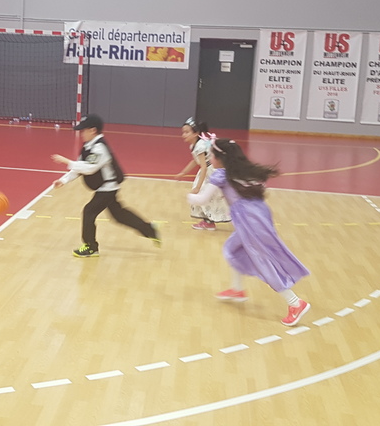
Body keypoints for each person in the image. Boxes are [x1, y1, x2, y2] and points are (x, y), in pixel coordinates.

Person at [188, 138, 311, 326]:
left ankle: (295, 303)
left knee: (264, 263)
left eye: (212, 155)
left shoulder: (221, 175)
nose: (210, 158)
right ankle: (237, 289)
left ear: (221, 158)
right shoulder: (243, 171)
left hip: (250, 222)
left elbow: (202, 200)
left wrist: (189, 196)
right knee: (231, 249)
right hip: (259, 216)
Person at [51, 114, 161, 257]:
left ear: (93, 130)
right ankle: (150, 229)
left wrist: (66, 161)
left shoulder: (100, 148)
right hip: (105, 189)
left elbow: (90, 168)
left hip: (107, 189)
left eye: (84, 130)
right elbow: (79, 168)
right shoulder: (87, 147)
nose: (81, 133)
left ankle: (91, 247)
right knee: (119, 215)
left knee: (89, 211)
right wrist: (63, 180)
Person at [174, 118, 230, 231]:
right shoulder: (194, 145)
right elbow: (195, 161)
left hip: (211, 171)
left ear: (196, 133)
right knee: (210, 197)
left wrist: (198, 187)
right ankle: (208, 220)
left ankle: (209, 221)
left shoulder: (200, 146)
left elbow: (203, 167)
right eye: (183, 132)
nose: (183, 135)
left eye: (187, 132)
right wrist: (183, 172)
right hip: (209, 170)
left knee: (206, 195)